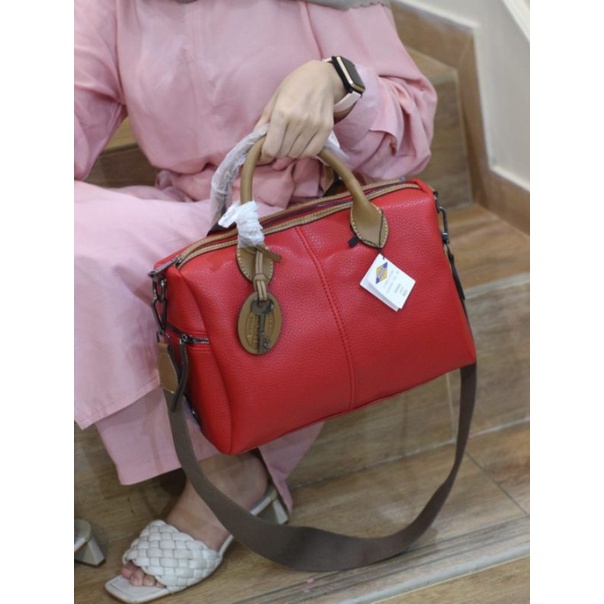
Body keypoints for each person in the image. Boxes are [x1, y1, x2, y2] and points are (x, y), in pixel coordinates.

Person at [74, 0, 437, 601]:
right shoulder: (110, 8)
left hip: (305, 227)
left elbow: (410, 136)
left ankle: (232, 470)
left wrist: (338, 83)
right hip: (195, 216)